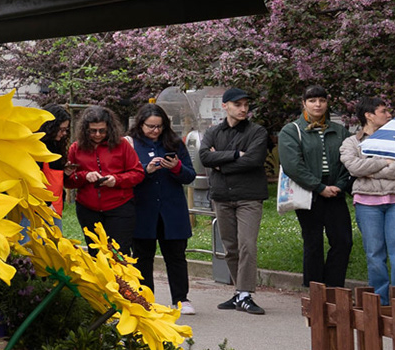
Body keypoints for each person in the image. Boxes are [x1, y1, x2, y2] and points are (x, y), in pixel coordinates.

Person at [198, 87, 269, 315]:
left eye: (246, 105)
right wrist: (236, 155)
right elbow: (204, 157)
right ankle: (239, 292)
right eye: (238, 105)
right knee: (230, 248)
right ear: (225, 106)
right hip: (222, 196)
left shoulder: (257, 132)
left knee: (247, 245)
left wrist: (220, 164)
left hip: (249, 196)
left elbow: (254, 160)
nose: (243, 109)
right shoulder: (213, 132)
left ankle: (245, 294)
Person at [343, 94, 395, 302]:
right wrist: (386, 162)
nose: (389, 115)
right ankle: (380, 302)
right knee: (374, 255)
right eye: (383, 111)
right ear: (369, 115)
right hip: (366, 203)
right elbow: (354, 167)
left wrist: (370, 171)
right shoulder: (352, 142)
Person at [279, 84, 353, 290]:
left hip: (335, 191)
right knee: (313, 243)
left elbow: (350, 161)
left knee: (343, 241)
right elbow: (292, 165)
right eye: (312, 101)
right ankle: (315, 290)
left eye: (322, 100)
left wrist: (340, 185)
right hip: (308, 192)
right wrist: (319, 187)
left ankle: (333, 288)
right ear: (304, 103)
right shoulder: (291, 131)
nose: (317, 104)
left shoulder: (339, 131)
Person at [129, 104, 197, 313]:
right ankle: (145, 298)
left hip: (172, 209)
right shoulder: (130, 144)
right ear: (140, 124)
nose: (155, 131)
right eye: (150, 126)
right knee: (142, 256)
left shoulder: (174, 143)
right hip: (143, 208)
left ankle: (181, 299)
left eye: (159, 126)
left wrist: (176, 167)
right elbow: (126, 176)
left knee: (176, 255)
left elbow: (190, 175)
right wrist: (146, 170)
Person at [66, 105, 143, 247]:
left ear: (109, 128)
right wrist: (84, 176)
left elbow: (138, 173)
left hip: (120, 207)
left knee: (119, 252)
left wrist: (116, 180)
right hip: (87, 209)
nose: (97, 134)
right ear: (85, 130)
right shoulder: (76, 148)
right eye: (92, 131)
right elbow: (68, 182)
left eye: (102, 130)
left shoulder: (122, 145)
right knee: (96, 252)